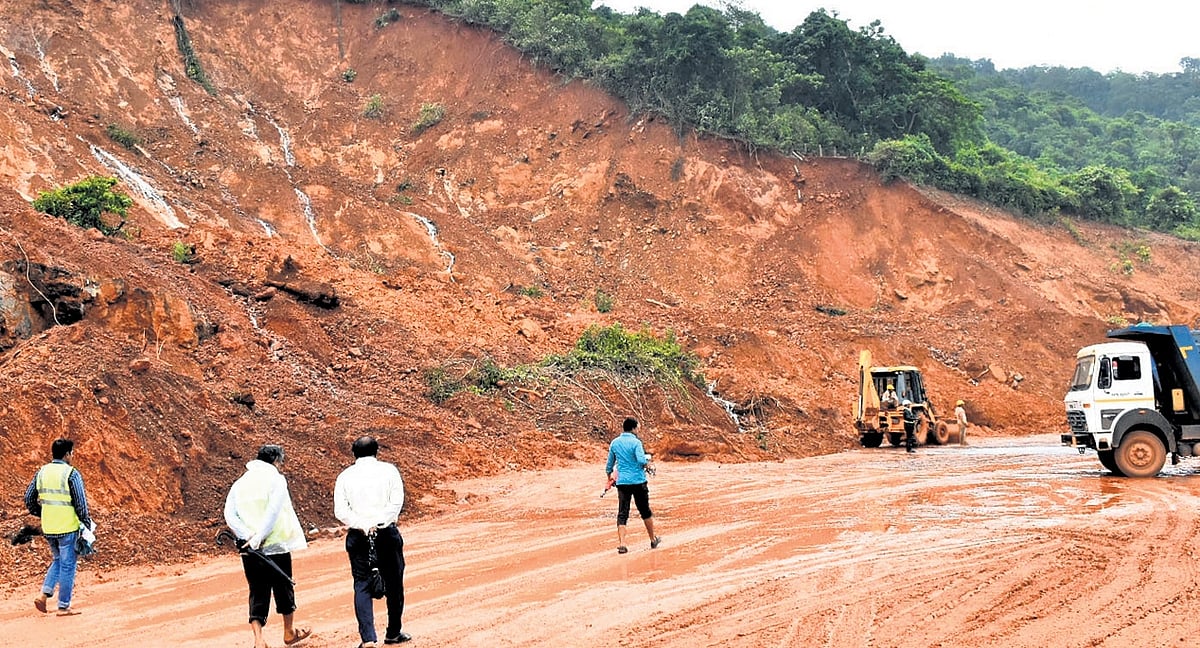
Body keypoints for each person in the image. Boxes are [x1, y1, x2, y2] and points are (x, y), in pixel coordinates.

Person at [224, 444, 312, 648]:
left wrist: (248, 537)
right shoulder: (276, 480)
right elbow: (273, 512)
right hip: (274, 545)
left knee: (257, 591)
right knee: (284, 586)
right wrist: (259, 538)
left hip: (249, 549)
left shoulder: (240, 483)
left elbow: (230, 514)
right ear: (276, 461)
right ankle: (289, 632)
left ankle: (258, 639)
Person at [334, 436, 410, 646]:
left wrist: (363, 524)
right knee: (394, 584)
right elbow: (396, 503)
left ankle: (368, 639)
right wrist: (379, 522)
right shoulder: (389, 471)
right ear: (377, 451)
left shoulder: (344, 476)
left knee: (362, 584)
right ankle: (393, 632)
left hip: (358, 535)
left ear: (353, 453)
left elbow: (340, 511)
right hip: (386, 533)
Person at [25, 438, 93, 616]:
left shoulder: (42, 472)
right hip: (67, 527)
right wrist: (86, 523)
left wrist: (43, 513)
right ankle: (63, 606)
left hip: (49, 527)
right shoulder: (71, 474)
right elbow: (80, 504)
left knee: (58, 560)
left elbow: (29, 499)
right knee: (68, 565)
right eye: (72, 453)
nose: (73, 456)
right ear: (67, 454)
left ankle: (44, 594)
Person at [605, 417, 660, 554]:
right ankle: (653, 539)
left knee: (623, 513)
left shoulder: (615, 443)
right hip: (638, 481)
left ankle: (622, 544)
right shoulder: (636, 443)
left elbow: (609, 465)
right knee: (645, 511)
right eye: (638, 427)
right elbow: (641, 460)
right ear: (634, 428)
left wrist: (609, 478)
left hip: (622, 483)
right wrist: (648, 466)